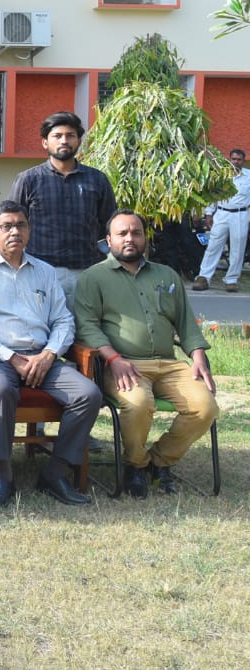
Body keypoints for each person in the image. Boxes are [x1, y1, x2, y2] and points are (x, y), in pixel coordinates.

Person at [0, 200, 101, 507]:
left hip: (42, 358)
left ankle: (55, 473)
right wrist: (10, 357)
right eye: (6, 226)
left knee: (89, 394)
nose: (14, 232)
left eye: (21, 225)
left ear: (29, 231)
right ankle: (4, 473)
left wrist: (48, 354)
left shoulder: (44, 272)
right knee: (1, 391)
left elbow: (62, 320)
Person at [74, 209, 218, 499]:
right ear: (108, 240)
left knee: (206, 407)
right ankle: (135, 466)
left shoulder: (166, 275)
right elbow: (86, 327)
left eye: (136, 233)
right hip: (122, 364)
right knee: (138, 403)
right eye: (122, 233)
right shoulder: (94, 277)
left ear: (145, 238)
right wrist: (113, 359)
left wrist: (198, 354)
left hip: (169, 364)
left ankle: (159, 461)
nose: (130, 238)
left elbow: (186, 323)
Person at [9, 112, 116, 300]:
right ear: (45, 142)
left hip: (87, 271)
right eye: (57, 136)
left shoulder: (97, 180)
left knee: (84, 327)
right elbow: (12, 225)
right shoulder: (28, 180)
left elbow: (110, 225)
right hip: (40, 272)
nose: (64, 141)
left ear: (79, 140)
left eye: (70, 136)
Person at [194, 147, 249, 293]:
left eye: (239, 159)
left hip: (240, 215)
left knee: (238, 249)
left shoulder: (249, 176)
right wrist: (209, 214)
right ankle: (204, 277)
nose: (236, 162)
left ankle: (231, 279)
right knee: (213, 245)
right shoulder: (222, 176)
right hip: (222, 214)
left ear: (243, 161)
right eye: (233, 159)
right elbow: (213, 197)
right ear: (229, 160)